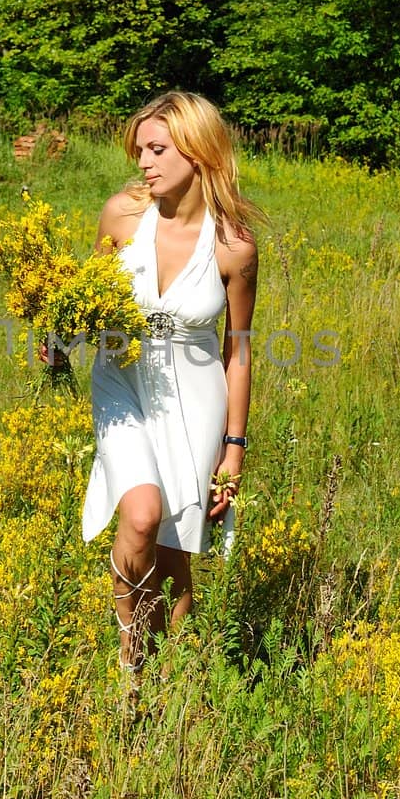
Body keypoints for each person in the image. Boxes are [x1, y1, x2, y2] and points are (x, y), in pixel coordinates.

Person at [81, 91, 261, 685]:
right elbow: (86, 300)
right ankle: (130, 670)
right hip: (122, 380)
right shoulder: (121, 217)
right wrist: (57, 333)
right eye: (140, 150)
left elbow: (238, 352)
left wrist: (234, 449)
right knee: (140, 515)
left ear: (197, 150)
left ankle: (173, 693)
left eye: (157, 149)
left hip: (195, 395)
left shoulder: (234, 246)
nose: (144, 162)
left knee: (174, 561)